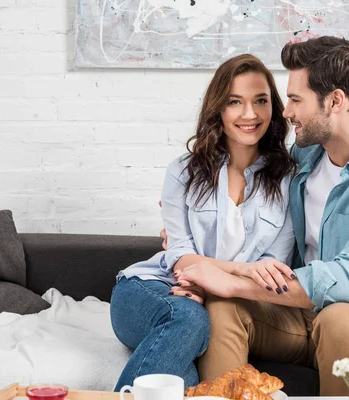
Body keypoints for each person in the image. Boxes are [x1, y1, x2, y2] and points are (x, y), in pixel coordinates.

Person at [169, 36, 349, 396]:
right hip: (297, 317)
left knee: (340, 318)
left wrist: (232, 281)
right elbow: (257, 214)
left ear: (336, 101)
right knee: (223, 304)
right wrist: (185, 230)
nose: (286, 111)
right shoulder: (303, 159)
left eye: (295, 99)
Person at [109, 54, 297, 391]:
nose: (249, 114)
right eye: (234, 102)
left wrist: (213, 281)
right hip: (153, 289)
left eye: (260, 101)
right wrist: (238, 271)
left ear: (274, 107)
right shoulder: (183, 171)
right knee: (187, 316)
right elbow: (181, 256)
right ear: (218, 109)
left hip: (223, 303)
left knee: (187, 380)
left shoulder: (289, 180)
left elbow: (272, 268)